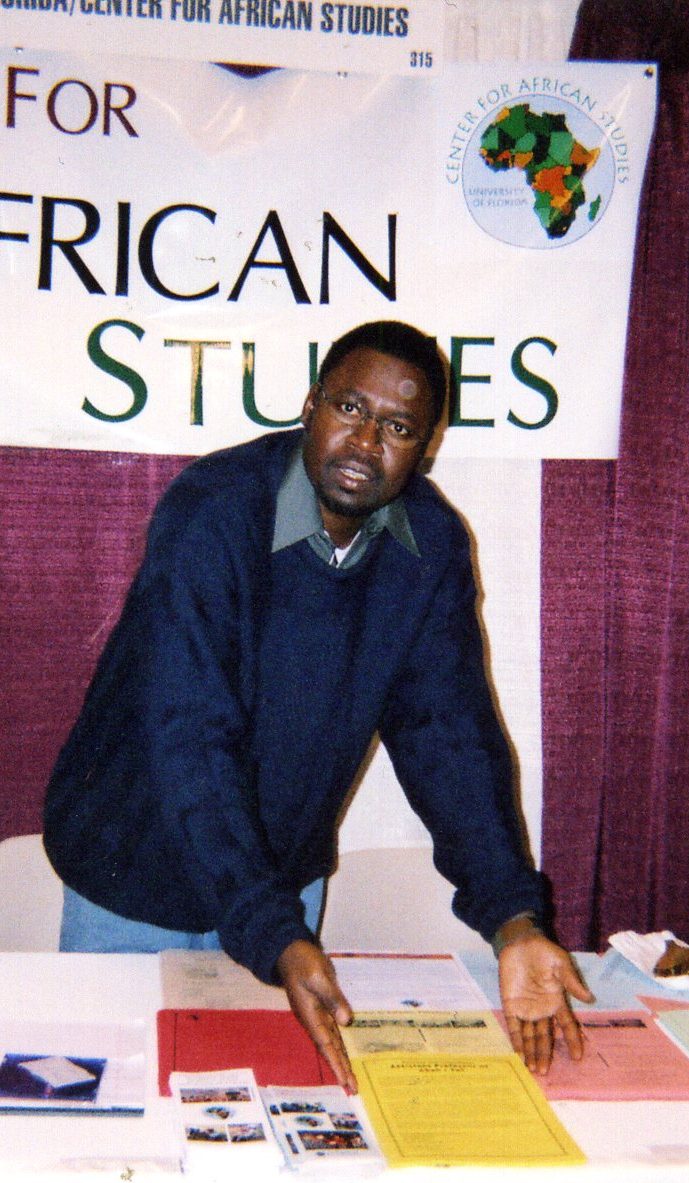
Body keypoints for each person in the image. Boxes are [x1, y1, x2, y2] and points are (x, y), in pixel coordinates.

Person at [44, 320, 592, 1093]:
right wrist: (274, 932)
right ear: (310, 405)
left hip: (277, 879)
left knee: (273, 1113)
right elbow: (188, 736)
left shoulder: (429, 545)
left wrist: (513, 918)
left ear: (427, 446)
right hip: (133, 871)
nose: (365, 442)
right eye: (350, 408)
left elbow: (450, 738)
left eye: (398, 427)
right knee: (119, 1117)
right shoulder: (214, 512)